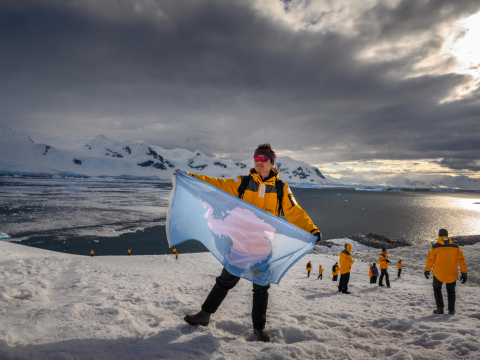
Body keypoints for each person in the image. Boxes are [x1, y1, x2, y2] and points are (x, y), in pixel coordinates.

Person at [181, 143, 322, 342]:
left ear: (272, 162)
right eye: (256, 158)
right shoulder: (243, 182)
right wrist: (191, 177)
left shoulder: (281, 188)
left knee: (261, 287)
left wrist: (311, 229)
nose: (259, 162)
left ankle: (259, 328)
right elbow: (215, 184)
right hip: (239, 243)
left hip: (263, 246)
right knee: (224, 282)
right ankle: (204, 315)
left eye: (264, 159)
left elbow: (294, 211)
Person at [424, 229, 467, 315]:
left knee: (437, 289)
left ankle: (440, 309)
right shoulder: (455, 247)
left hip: (438, 274)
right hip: (452, 274)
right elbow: (461, 261)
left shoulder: (435, 247)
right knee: (451, 291)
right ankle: (451, 310)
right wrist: (464, 272)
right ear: (447, 236)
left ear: (439, 235)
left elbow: (430, 260)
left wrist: (427, 270)